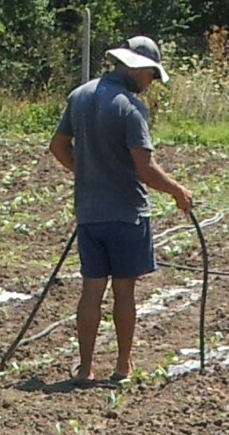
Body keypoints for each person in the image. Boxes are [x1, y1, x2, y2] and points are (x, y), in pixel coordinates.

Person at [50, 33, 196, 383]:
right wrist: (178, 191)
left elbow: (58, 147)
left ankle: (84, 369)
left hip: (89, 213)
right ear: (138, 68)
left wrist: (88, 174)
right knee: (124, 291)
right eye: (151, 74)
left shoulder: (80, 96)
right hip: (127, 214)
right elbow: (144, 168)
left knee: (91, 289)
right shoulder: (131, 107)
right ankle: (122, 366)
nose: (151, 82)